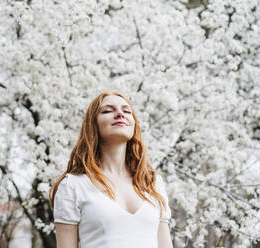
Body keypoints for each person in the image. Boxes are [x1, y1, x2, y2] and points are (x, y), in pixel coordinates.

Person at [49, 92, 174, 248]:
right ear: (93, 124)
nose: (120, 114)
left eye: (126, 111)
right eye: (108, 110)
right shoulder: (73, 186)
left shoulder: (152, 183)